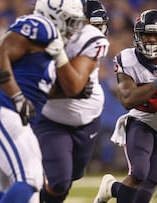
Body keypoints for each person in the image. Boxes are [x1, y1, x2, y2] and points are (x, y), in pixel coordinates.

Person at [0, 0, 92, 202]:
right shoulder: (41, 25)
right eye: (69, 21)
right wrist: (17, 97)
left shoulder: (48, 49)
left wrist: (69, 92)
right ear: (53, 14)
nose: (72, 28)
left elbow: (40, 88)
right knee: (30, 178)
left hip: (8, 120)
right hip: (3, 114)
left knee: (30, 198)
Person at [93, 9, 157, 203]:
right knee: (139, 172)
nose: (151, 39)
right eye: (147, 34)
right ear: (137, 35)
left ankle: (110, 189)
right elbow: (128, 100)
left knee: (145, 193)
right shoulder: (127, 59)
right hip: (141, 122)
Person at [32, 1, 110, 202]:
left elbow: (73, 85)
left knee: (69, 179)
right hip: (51, 119)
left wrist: (63, 87)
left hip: (88, 119)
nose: (75, 26)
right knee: (58, 180)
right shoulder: (35, 37)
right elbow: (69, 88)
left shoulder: (91, 39)